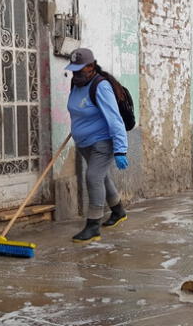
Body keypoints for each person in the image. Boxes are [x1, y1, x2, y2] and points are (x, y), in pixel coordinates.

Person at [66, 48, 129, 243]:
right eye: (73, 70)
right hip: (84, 142)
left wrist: (120, 149)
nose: (76, 74)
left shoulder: (100, 86)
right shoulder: (76, 84)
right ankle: (118, 211)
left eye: (80, 69)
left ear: (91, 66)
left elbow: (115, 119)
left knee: (93, 177)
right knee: (102, 177)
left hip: (103, 141)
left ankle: (93, 225)